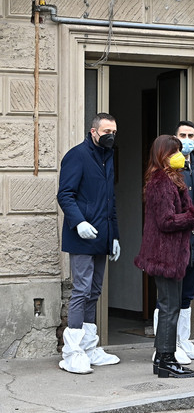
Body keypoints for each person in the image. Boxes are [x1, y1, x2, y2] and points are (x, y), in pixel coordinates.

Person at [134, 135, 194, 378]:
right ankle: (166, 359)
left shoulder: (171, 179)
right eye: (174, 151)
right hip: (164, 255)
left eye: (180, 151)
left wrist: (192, 214)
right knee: (168, 308)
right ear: (162, 155)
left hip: (172, 254)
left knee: (172, 306)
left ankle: (165, 359)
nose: (180, 155)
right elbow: (166, 221)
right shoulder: (161, 182)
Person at [56, 113, 121, 374]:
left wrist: (115, 235)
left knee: (94, 292)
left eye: (114, 131)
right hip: (81, 236)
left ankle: (90, 347)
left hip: (102, 236)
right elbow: (65, 194)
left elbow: (110, 200)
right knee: (81, 291)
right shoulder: (77, 155)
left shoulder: (108, 158)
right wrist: (79, 222)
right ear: (93, 132)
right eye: (106, 131)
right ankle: (72, 351)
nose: (111, 136)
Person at [150, 121, 194, 365]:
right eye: (182, 136)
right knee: (168, 300)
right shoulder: (166, 177)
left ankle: (182, 341)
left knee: (186, 296)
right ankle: (165, 347)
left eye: (190, 136)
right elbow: (168, 219)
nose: (186, 141)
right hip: (175, 244)